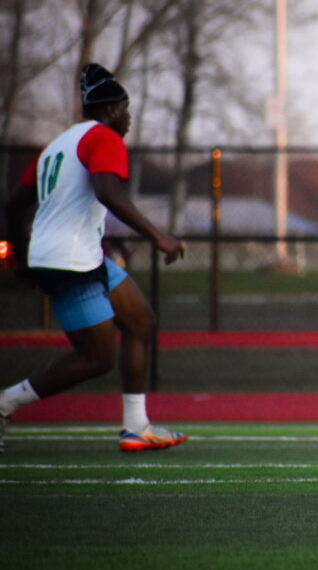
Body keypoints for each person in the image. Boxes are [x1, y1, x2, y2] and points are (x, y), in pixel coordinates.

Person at [1, 63, 187, 453]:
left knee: (140, 321)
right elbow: (108, 192)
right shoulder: (104, 137)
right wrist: (159, 237)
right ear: (114, 110)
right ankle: (5, 402)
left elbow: (14, 206)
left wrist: (22, 260)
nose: (130, 118)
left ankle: (137, 425)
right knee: (95, 359)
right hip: (70, 261)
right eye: (128, 109)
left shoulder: (57, 145)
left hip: (78, 257)